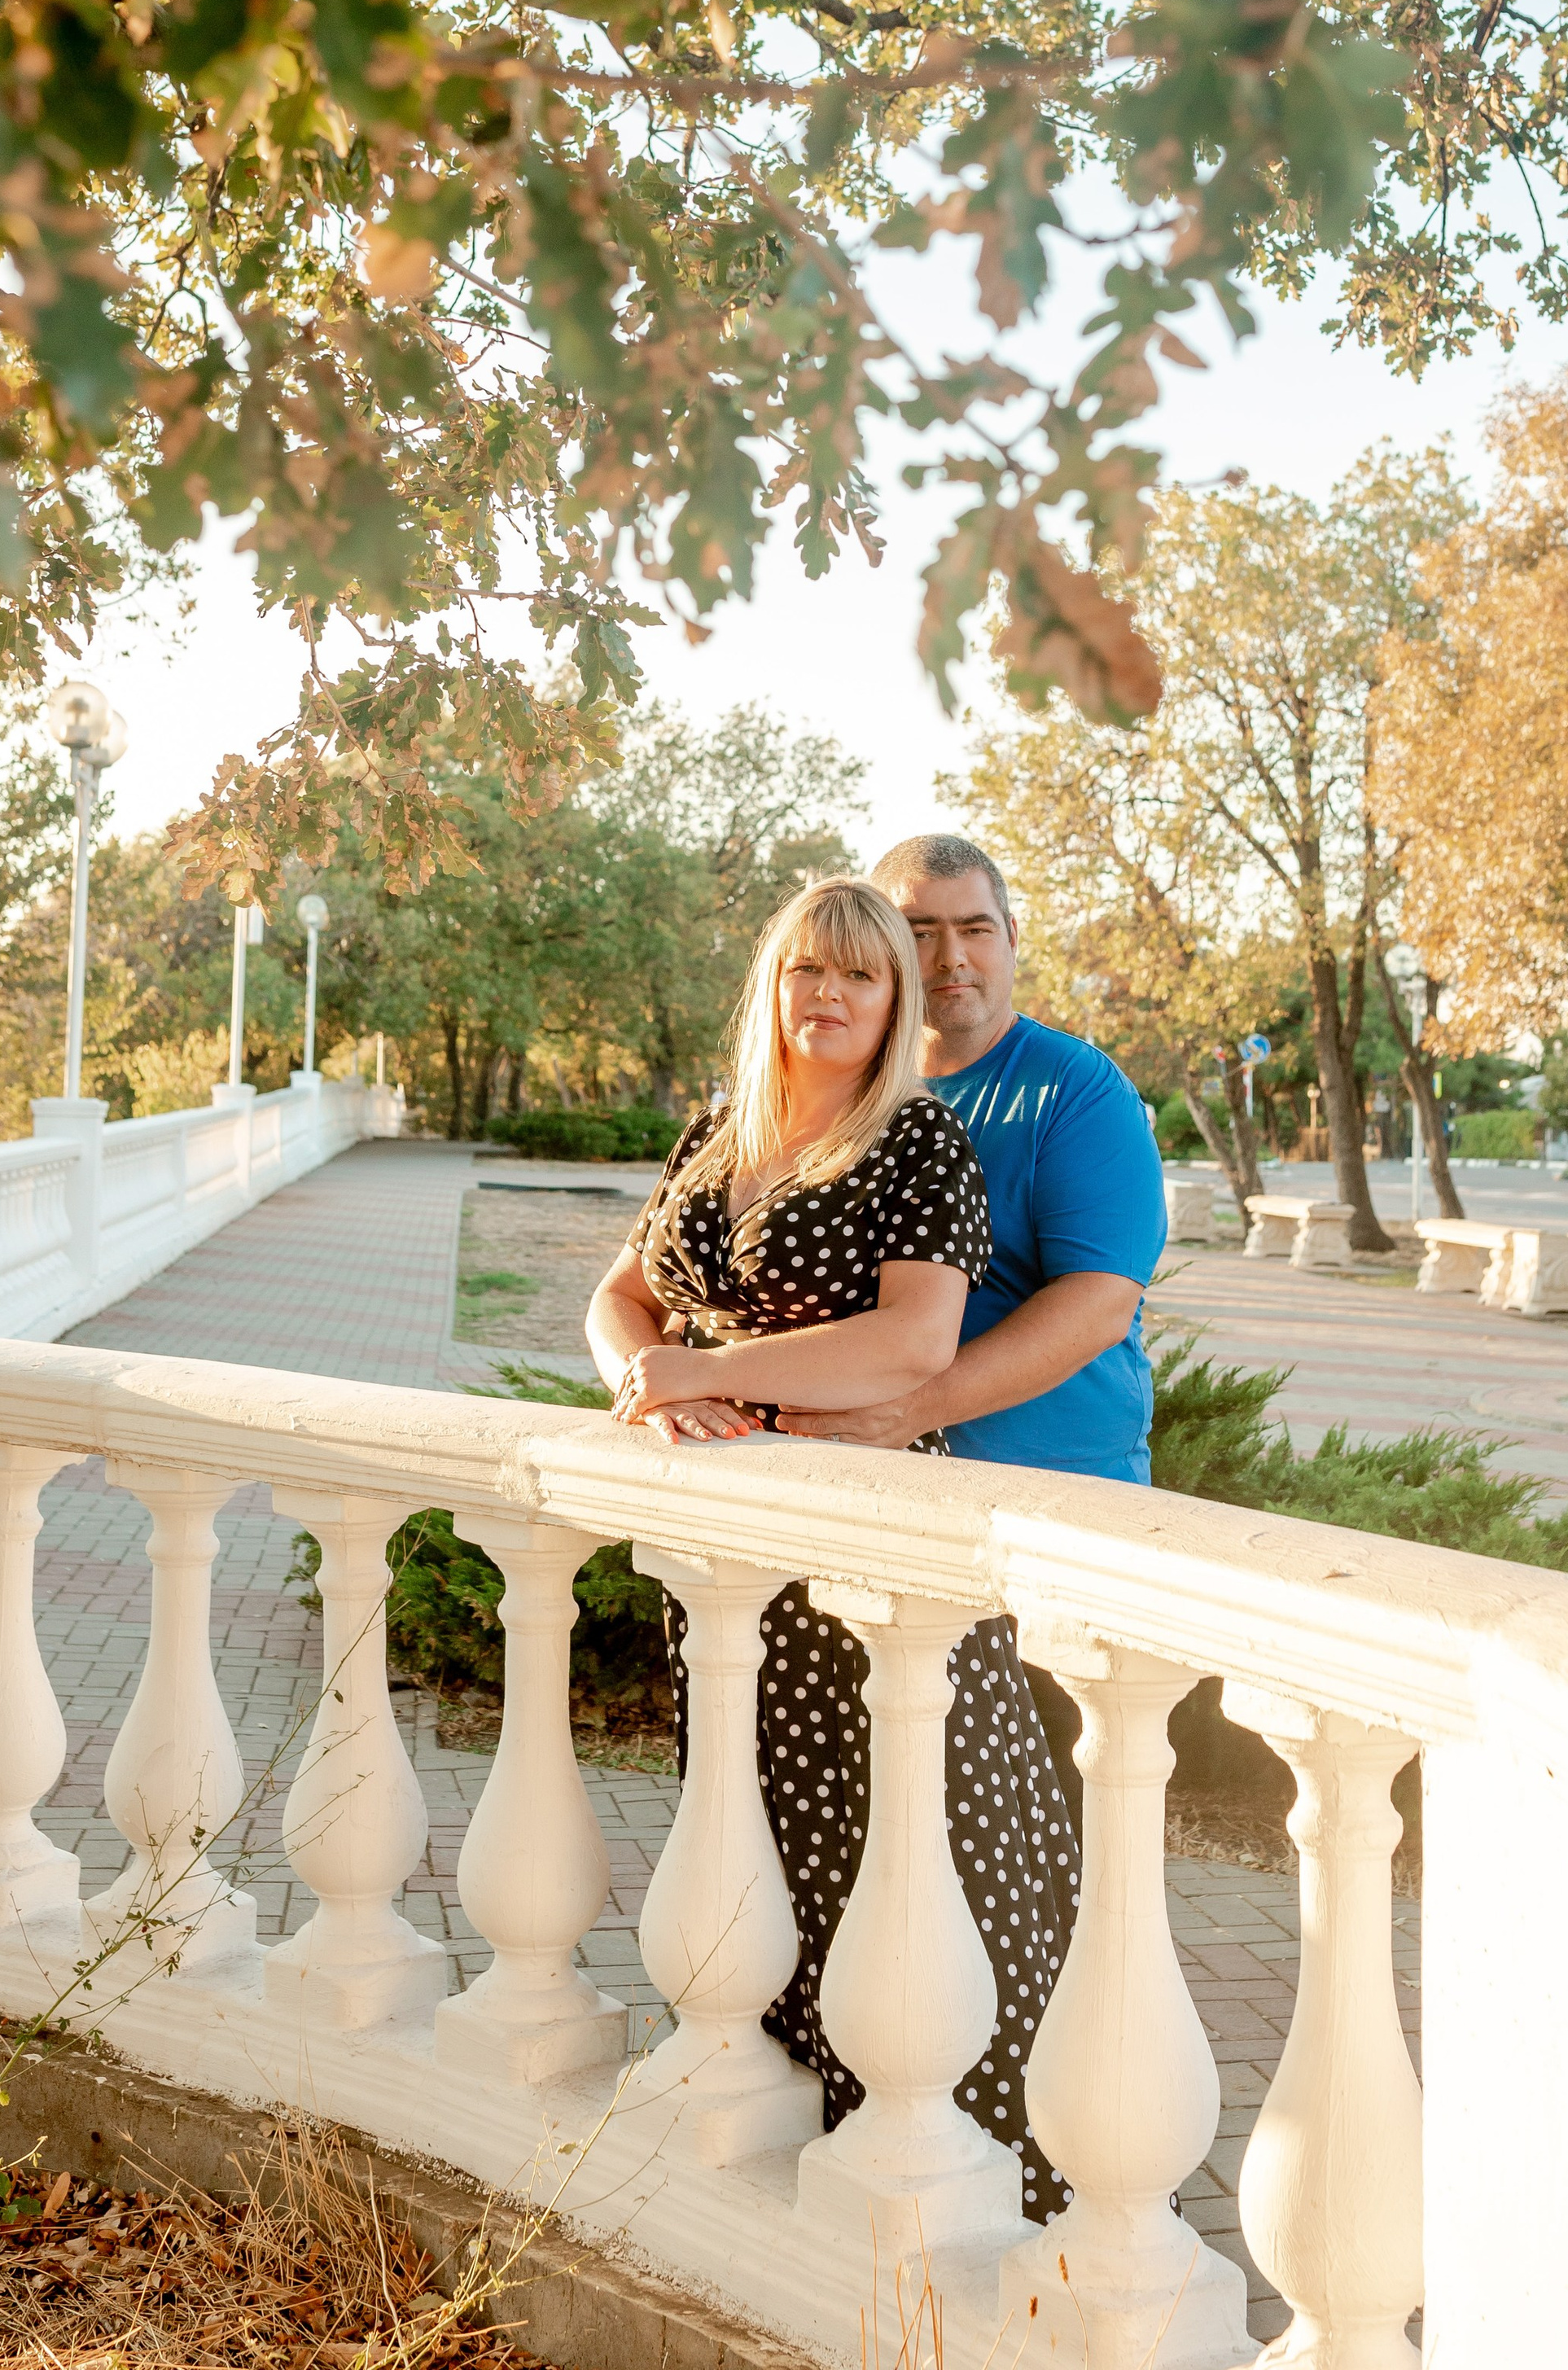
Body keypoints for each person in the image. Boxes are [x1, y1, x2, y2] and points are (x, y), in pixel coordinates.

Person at [585, 874, 1077, 2220]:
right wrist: (656, 1376)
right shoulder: (721, 1129)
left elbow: (916, 1345)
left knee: (905, 1867)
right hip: (729, 1568)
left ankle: (948, 2204)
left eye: (861, 976)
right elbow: (618, 1299)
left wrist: (707, 1369)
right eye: (809, 969)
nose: (830, 995)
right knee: (758, 1859)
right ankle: (790, 2171)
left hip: (863, 1570)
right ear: (774, 984)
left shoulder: (919, 1141)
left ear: (895, 1000)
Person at [773, 832, 1166, 1816]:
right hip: (886, 1526)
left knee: (1054, 1852)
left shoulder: (1074, 1091)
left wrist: (909, 1409)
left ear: (1011, 938)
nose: (952, 959)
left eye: (975, 929)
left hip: (1054, 1521)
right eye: (920, 932)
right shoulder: (841, 1097)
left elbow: (1098, 1302)